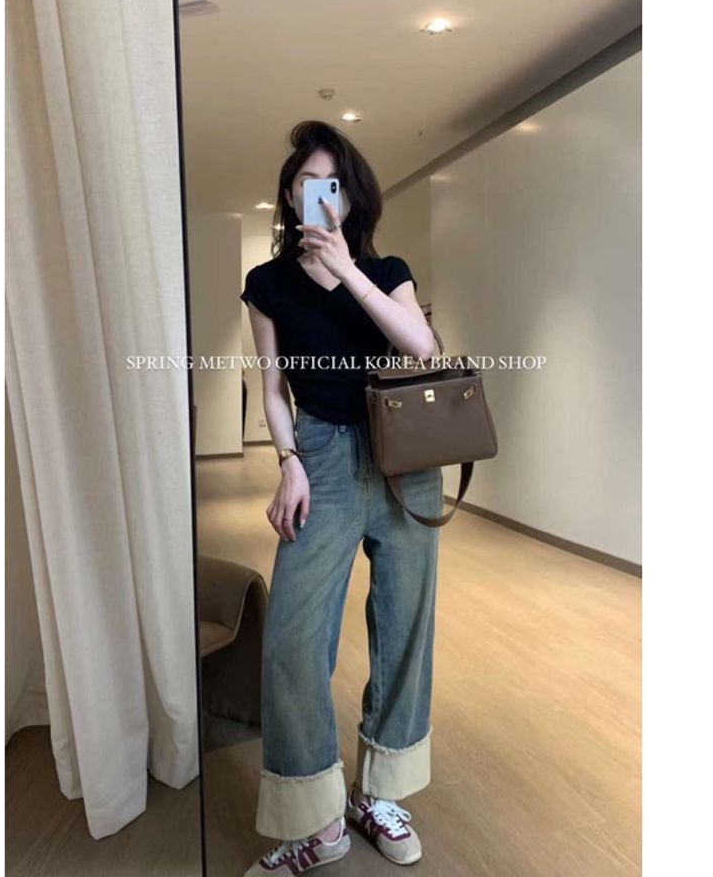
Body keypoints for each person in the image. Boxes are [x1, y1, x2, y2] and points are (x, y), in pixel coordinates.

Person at [240, 121, 443, 874]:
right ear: (290, 195)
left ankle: (378, 793)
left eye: (331, 184)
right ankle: (315, 821)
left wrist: (349, 270)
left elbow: (421, 348)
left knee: (405, 625)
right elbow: (272, 387)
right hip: (320, 457)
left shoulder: (386, 269)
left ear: (350, 197)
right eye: (305, 183)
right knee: (293, 641)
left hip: (402, 459)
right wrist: (287, 462)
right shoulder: (266, 284)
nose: (317, 196)